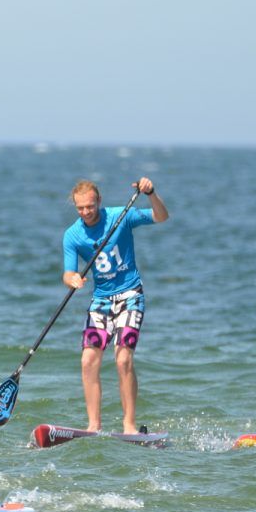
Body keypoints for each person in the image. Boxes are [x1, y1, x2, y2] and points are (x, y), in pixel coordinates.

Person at [62, 177, 168, 434]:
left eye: (90, 206)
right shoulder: (73, 235)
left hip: (131, 296)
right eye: (80, 208)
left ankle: (129, 425)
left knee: (123, 360)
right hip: (100, 301)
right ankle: (93, 426)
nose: (86, 212)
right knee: (88, 360)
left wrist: (151, 193)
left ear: (99, 201)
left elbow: (161, 216)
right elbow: (67, 273)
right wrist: (73, 279)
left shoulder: (121, 216)